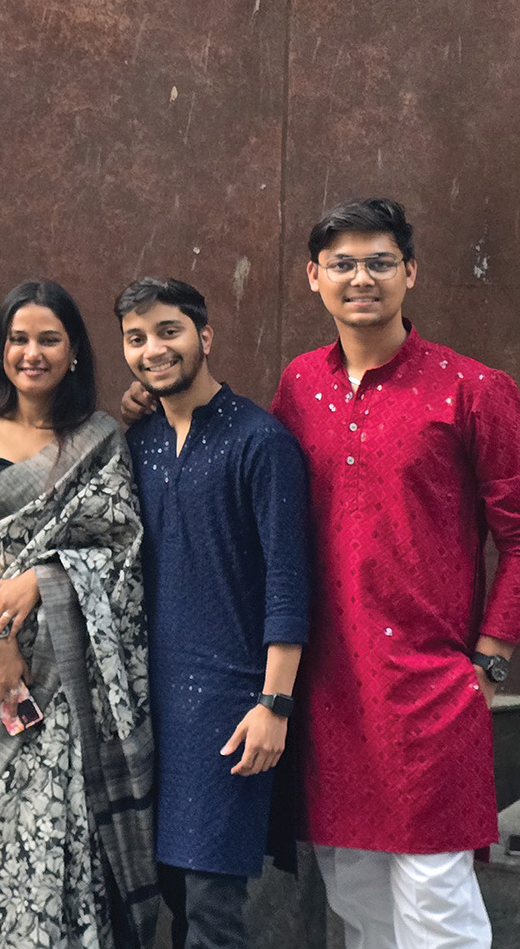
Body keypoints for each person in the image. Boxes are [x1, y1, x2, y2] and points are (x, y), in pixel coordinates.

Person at [267, 199, 520, 949]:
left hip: (431, 690)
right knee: (357, 898)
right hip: (330, 689)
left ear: (410, 272)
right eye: (341, 264)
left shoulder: (471, 388)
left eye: (379, 262)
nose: (361, 279)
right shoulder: (299, 385)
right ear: (313, 277)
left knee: (435, 903)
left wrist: (490, 662)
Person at [0, 279, 157, 949]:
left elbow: (120, 548)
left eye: (48, 340)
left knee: (67, 830)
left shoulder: (99, 438)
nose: (31, 353)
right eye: (18, 339)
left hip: (70, 668)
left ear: (73, 351)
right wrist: (0, 641)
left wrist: (42, 579)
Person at [115, 277, 310, 949]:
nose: (152, 349)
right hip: (148, 709)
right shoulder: (137, 442)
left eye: (168, 331)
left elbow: (288, 580)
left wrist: (274, 704)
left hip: (229, 710)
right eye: (136, 338)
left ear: (205, 336)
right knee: (170, 897)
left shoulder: (260, 441)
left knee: (211, 909)